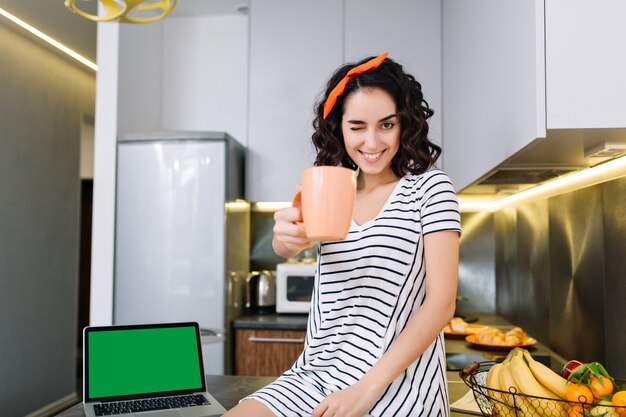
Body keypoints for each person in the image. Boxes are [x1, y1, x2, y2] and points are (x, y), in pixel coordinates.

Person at [224, 52, 461, 417]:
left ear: (405, 124)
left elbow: (442, 303)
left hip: (398, 386)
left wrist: (364, 390)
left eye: (386, 124)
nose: (371, 142)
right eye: (357, 126)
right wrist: (283, 240)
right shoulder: (330, 189)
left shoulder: (429, 189)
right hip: (314, 377)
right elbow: (287, 241)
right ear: (339, 127)